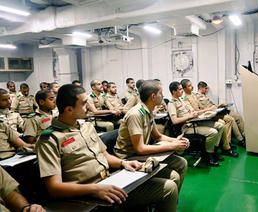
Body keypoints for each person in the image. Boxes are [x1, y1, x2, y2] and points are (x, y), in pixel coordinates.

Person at [35, 84, 178, 211]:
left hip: (109, 181)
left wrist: (123, 163)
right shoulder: (50, 139)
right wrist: (95, 189)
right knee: (168, 188)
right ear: (69, 109)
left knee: (170, 182)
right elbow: (54, 188)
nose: (89, 106)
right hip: (85, 195)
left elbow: (105, 155)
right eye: (85, 103)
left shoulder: (86, 126)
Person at [114, 80, 189, 192]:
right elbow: (140, 149)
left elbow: (158, 136)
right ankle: (168, 199)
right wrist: (173, 146)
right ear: (153, 96)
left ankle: (171, 200)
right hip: (129, 159)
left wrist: (175, 141)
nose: (163, 95)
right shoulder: (136, 114)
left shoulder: (148, 111)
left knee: (181, 162)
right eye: (161, 93)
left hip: (140, 155)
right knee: (174, 176)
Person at [168, 81, 224, 167]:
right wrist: (189, 116)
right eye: (180, 89)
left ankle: (214, 150)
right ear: (174, 91)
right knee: (213, 132)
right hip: (187, 127)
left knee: (220, 126)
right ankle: (209, 156)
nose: (182, 91)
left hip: (195, 122)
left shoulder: (182, 100)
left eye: (182, 89)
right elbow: (174, 121)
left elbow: (192, 111)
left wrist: (196, 113)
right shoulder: (172, 103)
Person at [181, 79, 238, 157]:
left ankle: (218, 147)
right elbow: (194, 113)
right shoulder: (185, 100)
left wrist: (211, 109)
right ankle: (221, 148)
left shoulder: (193, 95)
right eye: (189, 86)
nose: (192, 87)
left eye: (191, 84)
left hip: (202, 117)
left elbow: (200, 107)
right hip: (196, 121)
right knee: (221, 123)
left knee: (222, 123)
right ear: (184, 89)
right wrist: (209, 109)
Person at [197, 81, 246, 146]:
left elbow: (212, 106)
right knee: (231, 119)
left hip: (216, 110)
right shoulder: (196, 97)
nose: (207, 90)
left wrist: (219, 107)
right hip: (211, 114)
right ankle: (241, 140)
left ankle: (245, 136)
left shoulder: (205, 96)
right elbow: (203, 109)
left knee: (238, 117)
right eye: (206, 88)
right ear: (201, 88)